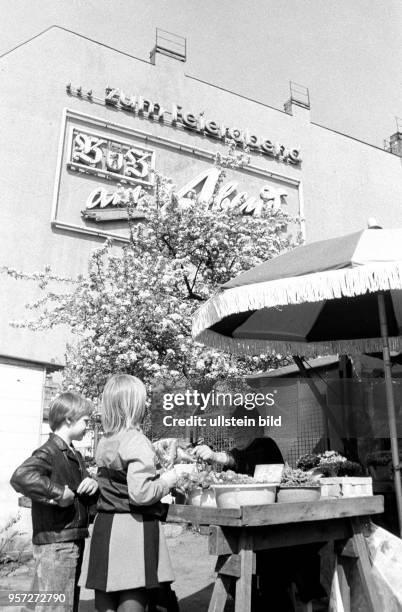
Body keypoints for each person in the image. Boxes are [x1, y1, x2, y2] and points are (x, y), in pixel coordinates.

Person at [79, 373, 178, 612]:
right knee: (133, 592)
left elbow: (118, 475)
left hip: (105, 526)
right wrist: (168, 480)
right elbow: (141, 494)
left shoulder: (105, 441)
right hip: (133, 529)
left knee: (104, 592)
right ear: (133, 405)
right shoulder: (136, 440)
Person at [10, 391, 98, 612]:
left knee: (52, 603)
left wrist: (92, 484)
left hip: (69, 538)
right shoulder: (49, 451)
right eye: (85, 421)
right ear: (69, 419)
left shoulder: (73, 454)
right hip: (58, 544)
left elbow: (79, 493)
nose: (88, 426)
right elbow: (21, 476)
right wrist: (58, 493)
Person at [194, 436, 284, 475]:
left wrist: (216, 456)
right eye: (234, 427)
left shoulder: (266, 444)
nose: (236, 433)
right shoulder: (237, 450)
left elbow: (239, 460)